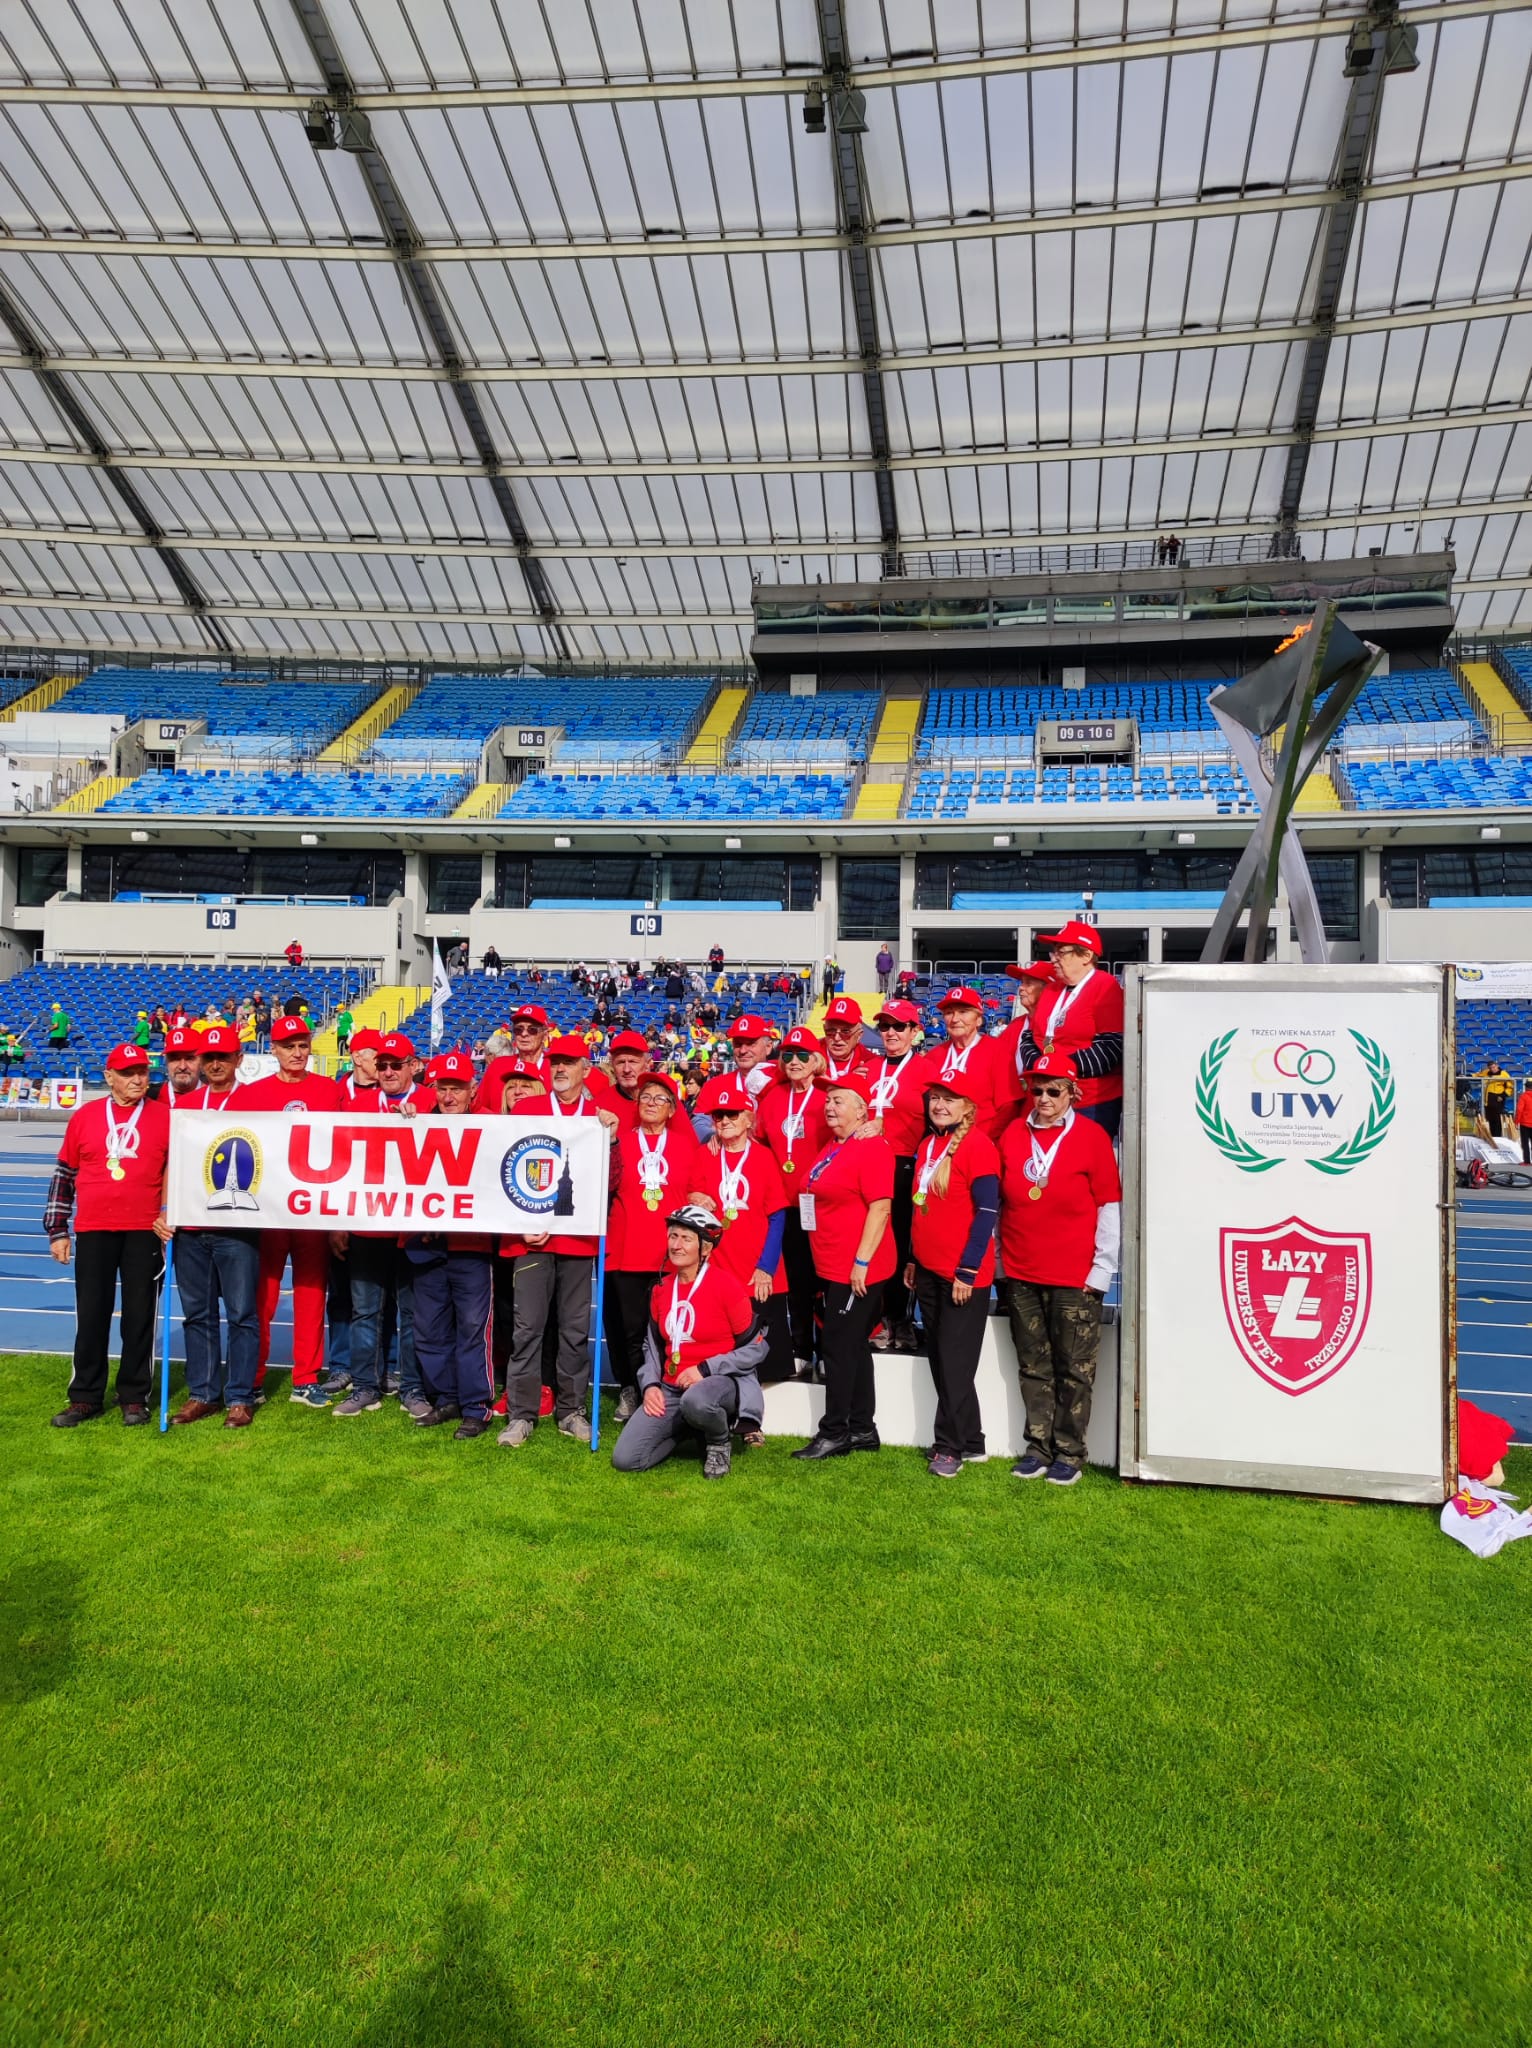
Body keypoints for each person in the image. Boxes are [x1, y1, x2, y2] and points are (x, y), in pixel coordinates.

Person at [998, 1054, 1121, 1485]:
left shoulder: (1092, 1137)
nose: (1044, 1098)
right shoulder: (1013, 1132)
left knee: (1075, 1370)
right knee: (1033, 1365)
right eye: (1037, 1090)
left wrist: (1102, 1268)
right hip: (1021, 1270)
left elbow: (1109, 1204)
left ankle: (1069, 1452)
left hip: (1074, 1276)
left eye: (1054, 1090)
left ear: (1072, 1093)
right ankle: (1038, 1447)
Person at [45, 1044, 172, 1428]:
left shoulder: (166, 1117)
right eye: (128, 1072)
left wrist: (171, 1213)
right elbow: (64, 1174)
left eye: (143, 1072)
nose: (137, 1079)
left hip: (144, 1229)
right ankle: (84, 1396)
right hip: (94, 1228)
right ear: (109, 1076)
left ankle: (134, 1395)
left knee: (139, 1317)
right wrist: (57, 1230)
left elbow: (177, 1173)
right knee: (92, 1313)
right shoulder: (84, 1117)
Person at [498, 1035, 611, 1448]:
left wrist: (611, 1141)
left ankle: (571, 1410)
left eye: (569, 1063)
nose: (560, 1069)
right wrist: (516, 1221)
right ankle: (522, 1414)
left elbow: (609, 1182)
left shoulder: (599, 1116)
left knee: (574, 1331)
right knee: (527, 1330)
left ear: (586, 1068)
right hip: (530, 1242)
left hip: (578, 1242)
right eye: (556, 1063)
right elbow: (501, 1167)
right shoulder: (527, 1109)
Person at [610, 1203, 766, 1480]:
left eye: (686, 1238)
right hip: (671, 1388)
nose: (676, 1245)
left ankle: (718, 1441)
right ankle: (688, 1427)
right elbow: (651, 1347)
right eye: (673, 1236)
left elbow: (757, 1348)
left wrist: (705, 1369)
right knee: (626, 1460)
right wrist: (650, 1386)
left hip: (717, 1384)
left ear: (705, 1248)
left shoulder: (727, 1286)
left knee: (696, 1400)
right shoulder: (660, 1289)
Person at [332, 1034, 437, 1419]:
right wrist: (338, 1224)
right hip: (367, 1225)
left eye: (397, 1064)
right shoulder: (357, 1104)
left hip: (411, 1228)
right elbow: (341, 1166)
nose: (389, 1072)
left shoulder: (429, 1100)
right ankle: (364, 1387)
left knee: (411, 1314)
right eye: (383, 1066)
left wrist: (425, 1121)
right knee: (365, 1312)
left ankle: (411, 1387)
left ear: (413, 1065)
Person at [239, 1015, 341, 1404]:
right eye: (288, 1046)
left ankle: (305, 1379)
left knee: (311, 1293)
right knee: (262, 1296)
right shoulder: (252, 1094)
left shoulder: (329, 1090)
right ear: (274, 1050)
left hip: (313, 1210)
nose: (297, 1053)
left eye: (302, 1045)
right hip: (268, 1210)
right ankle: (253, 1376)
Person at [792, 1073, 895, 1461]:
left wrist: (862, 1262)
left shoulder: (871, 1147)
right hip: (831, 1263)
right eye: (828, 1100)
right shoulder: (834, 1145)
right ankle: (862, 1428)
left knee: (836, 1347)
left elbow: (880, 1207)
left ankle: (834, 1431)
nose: (830, 1106)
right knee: (852, 1346)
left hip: (856, 1267)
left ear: (861, 1110)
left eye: (839, 1100)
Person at [905, 1079, 1000, 1476]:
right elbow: (921, 1208)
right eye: (935, 1099)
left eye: (949, 1099)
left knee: (955, 1362)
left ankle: (948, 1446)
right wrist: (913, 1258)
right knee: (942, 1361)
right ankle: (972, 1438)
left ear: (968, 1106)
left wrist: (969, 1268)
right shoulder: (928, 1146)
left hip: (962, 1274)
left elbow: (988, 1213)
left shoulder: (978, 1146)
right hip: (928, 1269)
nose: (940, 1105)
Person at [169, 1025, 261, 1430]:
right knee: (197, 1314)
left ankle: (240, 1397)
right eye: (209, 1058)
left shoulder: (257, 1104)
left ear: (239, 1060)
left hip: (238, 1228)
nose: (216, 1064)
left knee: (241, 1314)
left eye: (224, 1056)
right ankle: (202, 1393)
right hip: (191, 1226)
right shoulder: (185, 1107)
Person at [403, 1053, 495, 1439]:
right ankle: (447, 1398)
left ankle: (476, 1406)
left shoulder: (492, 1125)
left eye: (457, 1088)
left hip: (471, 1246)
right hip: (426, 1245)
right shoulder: (417, 1122)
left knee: (472, 1328)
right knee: (428, 1329)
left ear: (472, 1089)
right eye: (443, 1088)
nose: (450, 1095)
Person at [603, 1071, 697, 1424]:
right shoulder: (619, 1141)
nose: (651, 1104)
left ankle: (664, 1389)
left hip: (668, 1253)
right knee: (628, 1328)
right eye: (645, 1098)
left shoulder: (687, 1146)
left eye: (660, 1099)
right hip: (626, 1248)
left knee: (665, 1328)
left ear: (673, 1109)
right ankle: (631, 1388)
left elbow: (695, 1192)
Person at [689, 1075, 792, 1396]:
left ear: (749, 1119)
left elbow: (777, 1215)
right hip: (719, 1266)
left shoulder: (762, 1156)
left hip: (756, 1266)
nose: (724, 1121)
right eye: (718, 1115)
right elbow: (692, 1198)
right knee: (723, 1343)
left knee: (762, 1345)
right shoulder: (705, 1154)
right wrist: (693, 1198)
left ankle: (759, 1413)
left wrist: (767, 1267)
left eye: (732, 1114)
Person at [756, 1025, 829, 1365]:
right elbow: (758, 1142)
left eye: (802, 1055)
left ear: (816, 1060)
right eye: (788, 1055)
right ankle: (801, 1347)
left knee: (826, 1280)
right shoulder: (772, 1097)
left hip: (823, 1204)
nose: (795, 1061)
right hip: (786, 1205)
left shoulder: (828, 1096)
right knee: (797, 1281)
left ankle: (829, 1349)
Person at [866, 997, 935, 1352]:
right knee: (872, 1244)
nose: (890, 1033)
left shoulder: (925, 1069)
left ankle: (901, 1318)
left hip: (905, 1165)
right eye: (884, 1026)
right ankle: (876, 1319)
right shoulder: (870, 1067)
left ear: (913, 1031)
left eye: (898, 1026)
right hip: (868, 1166)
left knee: (902, 1246)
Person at [1015, 923, 1125, 1139]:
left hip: (1090, 1102)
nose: (1053, 958)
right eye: (1053, 952)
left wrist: (1061, 1077)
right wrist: (1047, 1076)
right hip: (1048, 1097)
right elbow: (1029, 1038)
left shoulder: (1105, 986)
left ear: (1086, 955)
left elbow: (1111, 1048)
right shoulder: (1053, 989)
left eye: (1061, 952)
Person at [929, 984, 1006, 1137]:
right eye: (949, 1013)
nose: (955, 1019)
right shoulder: (934, 1056)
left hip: (983, 1141)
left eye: (963, 1012)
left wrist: (989, 1140)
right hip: (941, 1144)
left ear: (978, 1020)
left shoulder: (997, 1050)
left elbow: (1007, 1106)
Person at [475, 1002, 551, 1112]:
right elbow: (480, 1108)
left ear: (544, 1036)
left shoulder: (556, 1067)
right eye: (518, 1029)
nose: (524, 1034)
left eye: (532, 1030)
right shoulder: (498, 1066)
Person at [725, 1013, 779, 1100]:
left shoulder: (785, 1083)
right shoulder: (713, 1087)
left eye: (750, 1044)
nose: (743, 1051)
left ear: (768, 1047)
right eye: (738, 1044)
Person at [820, 994, 872, 1085]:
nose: (837, 1038)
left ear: (859, 1035)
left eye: (845, 1032)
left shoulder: (870, 1062)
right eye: (831, 1031)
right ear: (824, 1029)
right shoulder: (808, 1057)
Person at [158, 1025, 205, 1102]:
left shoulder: (214, 1099)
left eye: (190, 1058)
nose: (182, 1067)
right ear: (166, 1061)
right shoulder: (150, 1097)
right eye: (175, 1059)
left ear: (201, 1061)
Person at [1477, 1060, 1514, 1139]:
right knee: (1490, 1119)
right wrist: (1468, 1075)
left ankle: (1498, 1137)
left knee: (1497, 1119)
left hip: (1498, 1099)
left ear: (1497, 1066)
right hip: (1488, 1100)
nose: (1492, 1069)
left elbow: (1510, 1086)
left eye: (1493, 1067)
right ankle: (1492, 1137)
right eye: (1490, 1068)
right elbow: (1478, 1075)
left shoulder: (1504, 1074)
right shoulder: (1486, 1072)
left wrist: (1503, 1095)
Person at [1516, 1080, 1532, 1165]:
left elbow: (1519, 1110)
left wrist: (1516, 1122)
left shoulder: (1523, 1096)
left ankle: (1527, 1161)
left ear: (1526, 1088)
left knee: (1525, 1143)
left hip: (1525, 1123)